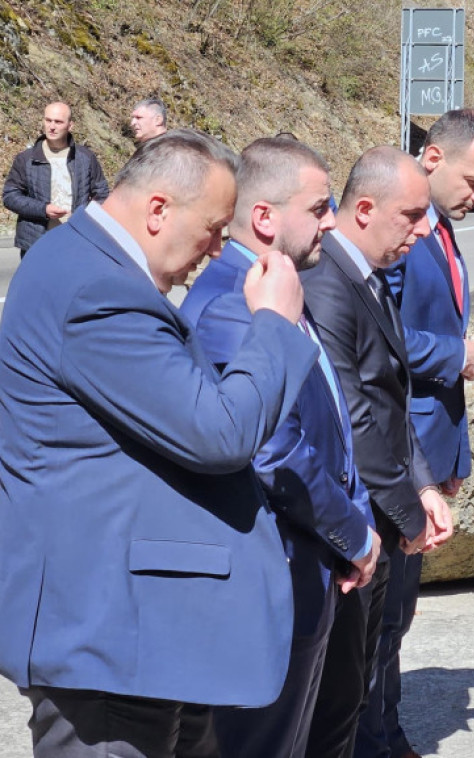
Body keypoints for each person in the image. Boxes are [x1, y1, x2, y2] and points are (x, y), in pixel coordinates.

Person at [0, 128, 318, 758]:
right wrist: (275, 326)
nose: (218, 246)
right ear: (157, 210)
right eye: (213, 227)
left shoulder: (94, 268)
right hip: (108, 634)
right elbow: (220, 433)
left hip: (140, 628)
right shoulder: (98, 290)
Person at [180, 137, 381, 758]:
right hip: (272, 579)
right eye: (319, 208)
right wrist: (356, 534)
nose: (331, 220)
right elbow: (273, 451)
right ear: (265, 217)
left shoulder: (274, 283)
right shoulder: (233, 307)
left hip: (308, 569)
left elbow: (326, 424)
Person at [361, 109, 474, 758]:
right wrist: (453, 355)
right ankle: (376, 741)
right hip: (394, 457)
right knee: (380, 622)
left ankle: (385, 735)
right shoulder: (406, 234)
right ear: (433, 158)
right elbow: (377, 336)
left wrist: (454, 456)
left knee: (396, 619)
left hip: (427, 455)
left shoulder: (440, 230)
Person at [302, 146, 454, 758]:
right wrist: (407, 514)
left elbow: (393, 394)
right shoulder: (327, 283)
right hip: (352, 520)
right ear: (364, 209)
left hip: (384, 506)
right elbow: (354, 416)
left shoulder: (366, 273)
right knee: (340, 699)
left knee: (376, 654)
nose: (424, 229)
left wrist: (423, 483)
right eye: (412, 215)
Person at [3, 101, 109, 258]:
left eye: (58, 122)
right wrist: (43, 209)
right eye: (48, 120)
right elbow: (10, 196)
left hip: (77, 240)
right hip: (36, 242)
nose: (52, 126)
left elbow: (102, 195)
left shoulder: (85, 158)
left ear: (70, 125)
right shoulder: (26, 158)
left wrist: (83, 216)